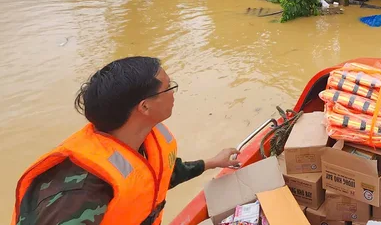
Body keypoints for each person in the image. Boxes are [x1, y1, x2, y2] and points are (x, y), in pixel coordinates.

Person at [13, 57, 241, 225]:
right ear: (145, 107)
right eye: (169, 87)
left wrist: (212, 162)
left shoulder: (142, 139)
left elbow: (161, 176)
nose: (174, 93)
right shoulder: (79, 192)